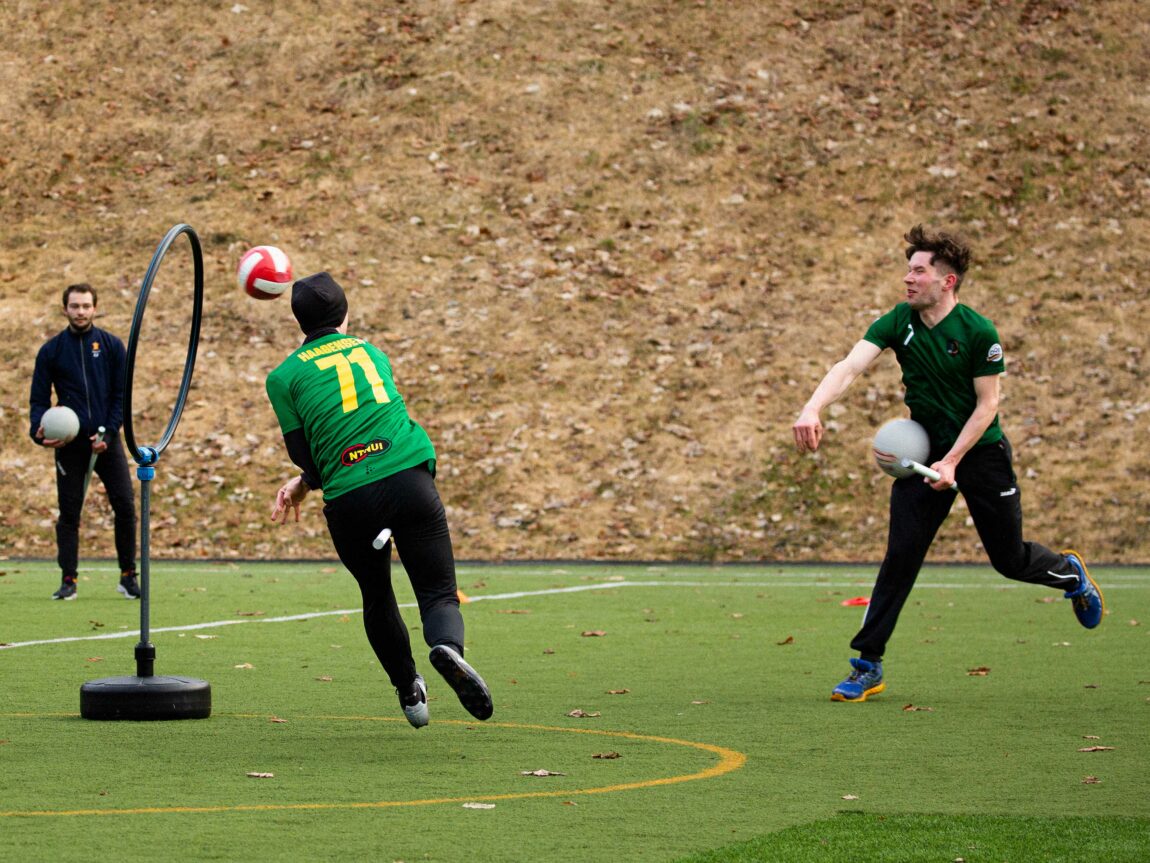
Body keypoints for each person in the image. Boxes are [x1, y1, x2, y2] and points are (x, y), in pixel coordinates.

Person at [792, 225, 1104, 703]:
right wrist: (813, 407)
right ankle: (867, 665)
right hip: (920, 455)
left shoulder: (979, 332)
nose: (908, 278)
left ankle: (1070, 574)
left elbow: (987, 406)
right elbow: (849, 367)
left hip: (980, 455)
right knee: (900, 558)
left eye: (919, 271)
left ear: (947, 281)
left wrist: (954, 460)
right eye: (908, 269)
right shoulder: (899, 321)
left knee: (1009, 559)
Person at [267, 272, 493, 728]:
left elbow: (302, 452)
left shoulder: (283, 376)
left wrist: (305, 482)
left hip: (352, 497)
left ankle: (409, 690)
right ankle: (448, 649)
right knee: (436, 592)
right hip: (408, 477)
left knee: (376, 594)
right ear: (346, 313)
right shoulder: (372, 353)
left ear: (298, 322)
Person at [30, 283, 139, 601]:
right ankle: (68, 580)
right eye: (74, 306)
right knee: (69, 512)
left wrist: (108, 430)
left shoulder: (111, 346)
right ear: (65, 309)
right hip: (70, 445)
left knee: (125, 507)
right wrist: (39, 430)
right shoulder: (51, 351)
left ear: (94, 308)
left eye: (86, 306)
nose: (80, 311)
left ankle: (127, 576)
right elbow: (38, 400)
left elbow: (121, 395)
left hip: (108, 441)